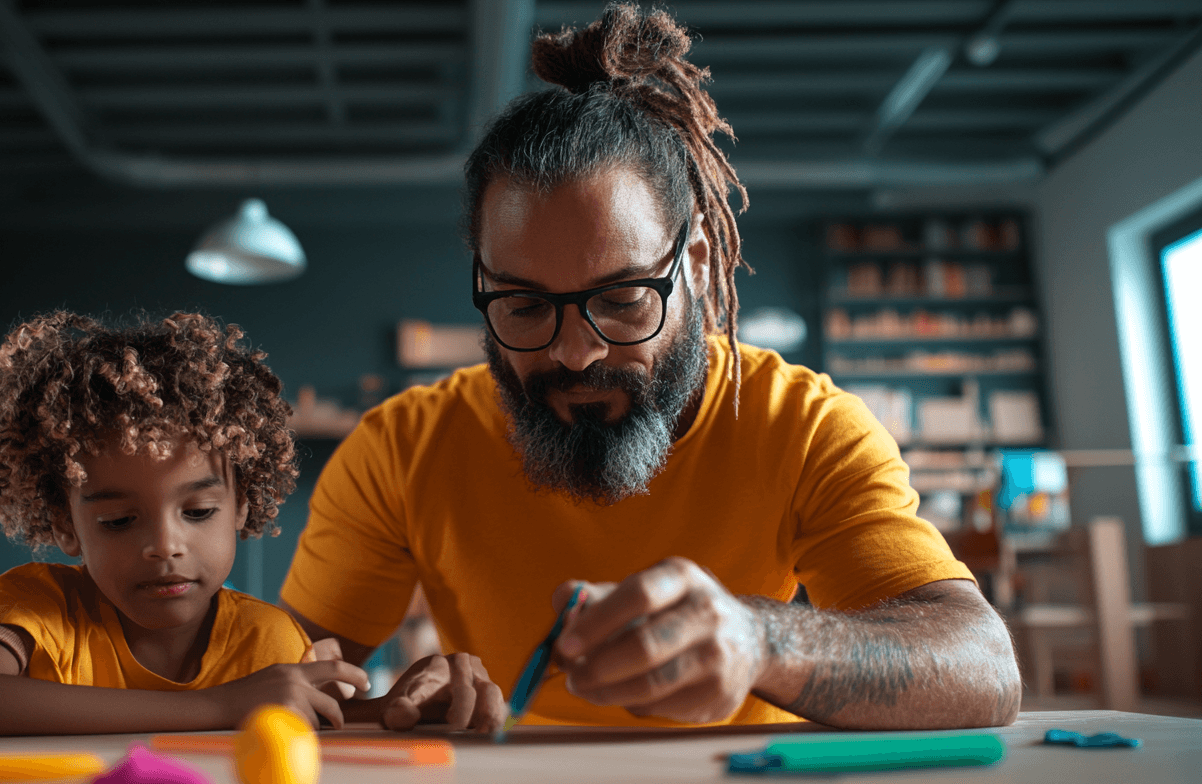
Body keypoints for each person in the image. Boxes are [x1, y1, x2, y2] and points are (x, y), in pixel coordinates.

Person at [281, 5, 1022, 730]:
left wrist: (764, 640)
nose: (575, 352)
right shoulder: (401, 449)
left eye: (624, 298)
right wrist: (394, 708)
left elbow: (983, 670)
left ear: (695, 263)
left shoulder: (802, 426)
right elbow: (275, 683)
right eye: (525, 306)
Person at [0, 311, 502, 735]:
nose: (165, 546)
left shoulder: (269, 642)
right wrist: (219, 708)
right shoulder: (41, 608)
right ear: (66, 524)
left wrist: (404, 708)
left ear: (242, 506)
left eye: (197, 513)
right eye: (119, 520)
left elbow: (318, 724)